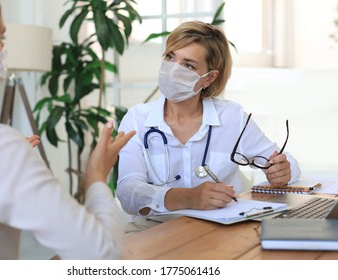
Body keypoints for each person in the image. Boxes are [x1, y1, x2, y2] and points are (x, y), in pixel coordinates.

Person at [0, 0, 135, 259]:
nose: (3, 50)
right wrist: (96, 179)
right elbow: (103, 257)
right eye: (0, 39)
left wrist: (7, 162)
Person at [116, 21, 301, 231]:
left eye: (188, 65)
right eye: (170, 57)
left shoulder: (231, 117)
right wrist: (186, 198)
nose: (173, 70)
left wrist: (282, 172)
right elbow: (128, 192)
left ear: (209, 77)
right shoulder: (137, 119)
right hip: (153, 229)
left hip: (221, 230)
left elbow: (288, 164)